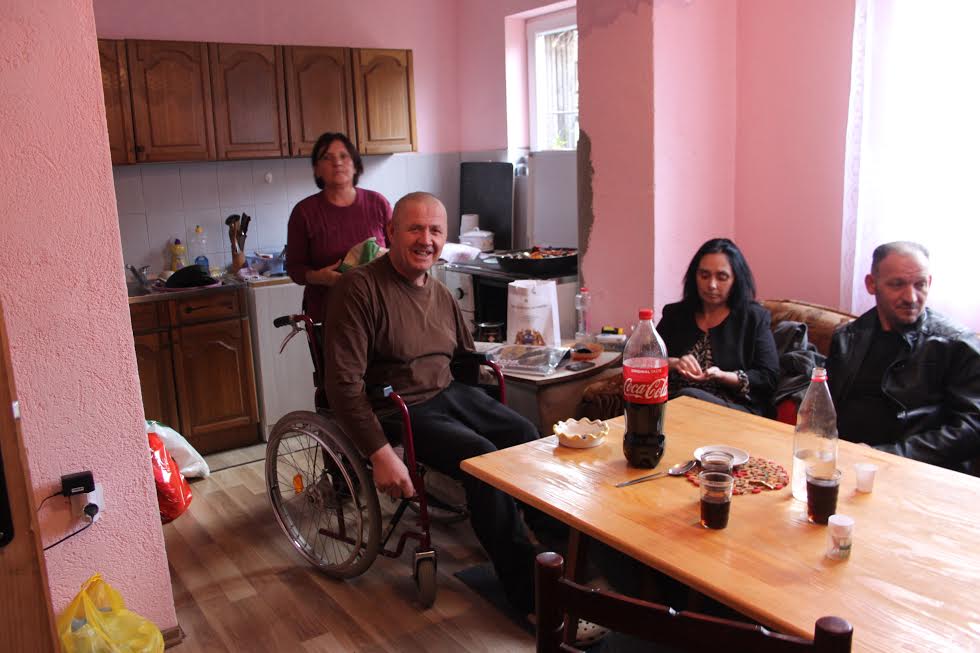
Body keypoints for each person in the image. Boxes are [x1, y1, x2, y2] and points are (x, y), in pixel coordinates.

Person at [322, 191, 541, 614]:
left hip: (446, 392)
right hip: (396, 407)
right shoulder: (359, 289)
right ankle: (530, 592)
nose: (426, 240)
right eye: (415, 229)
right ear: (390, 232)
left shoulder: (439, 293)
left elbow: (464, 359)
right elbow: (343, 385)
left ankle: (557, 551)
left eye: (435, 231)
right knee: (481, 459)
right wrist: (380, 454)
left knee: (525, 435)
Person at [827, 241, 980, 475]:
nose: (911, 297)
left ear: (929, 283)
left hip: (918, 471)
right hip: (843, 463)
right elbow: (828, 406)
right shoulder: (848, 337)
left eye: (920, 285)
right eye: (897, 284)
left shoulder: (956, 344)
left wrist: (887, 456)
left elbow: (972, 426)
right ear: (871, 284)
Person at [656, 238, 778, 414]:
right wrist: (674, 363)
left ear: (735, 279)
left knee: (688, 397)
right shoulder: (675, 314)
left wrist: (724, 376)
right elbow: (643, 360)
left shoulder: (753, 318)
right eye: (704, 276)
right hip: (673, 404)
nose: (711, 285)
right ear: (694, 277)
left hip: (734, 408)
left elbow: (768, 377)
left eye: (722, 277)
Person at [286, 132, 391, 322]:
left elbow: (397, 251)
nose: (337, 163)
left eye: (344, 156)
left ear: (356, 165)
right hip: (327, 313)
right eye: (327, 157)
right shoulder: (304, 212)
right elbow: (294, 269)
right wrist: (320, 277)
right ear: (317, 169)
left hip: (377, 309)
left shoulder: (378, 203)